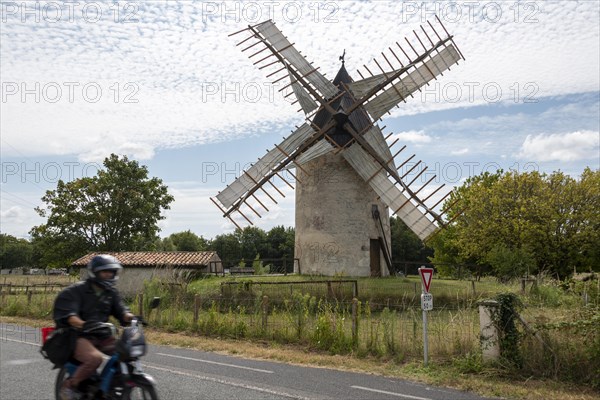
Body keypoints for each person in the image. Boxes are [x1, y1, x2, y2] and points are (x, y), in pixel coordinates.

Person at [53, 254, 134, 400]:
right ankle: (70, 385)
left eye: (111, 271)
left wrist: (130, 316)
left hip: (101, 335)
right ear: (95, 273)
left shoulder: (111, 293)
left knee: (126, 352)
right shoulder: (77, 291)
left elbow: (121, 310)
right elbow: (70, 315)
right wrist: (82, 323)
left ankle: (110, 387)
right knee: (95, 358)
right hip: (78, 335)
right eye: (105, 271)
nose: (109, 274)